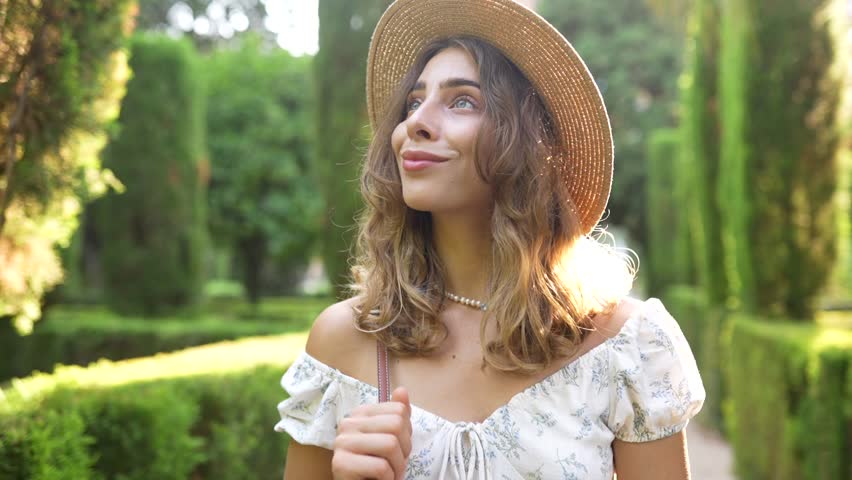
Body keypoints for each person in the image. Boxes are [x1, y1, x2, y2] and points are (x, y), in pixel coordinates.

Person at [275, 0, 706, 478]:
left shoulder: (623, 349)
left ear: (527, 144)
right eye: (414, 102)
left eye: (462, 100)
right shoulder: (344, 342)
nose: (414, 123)